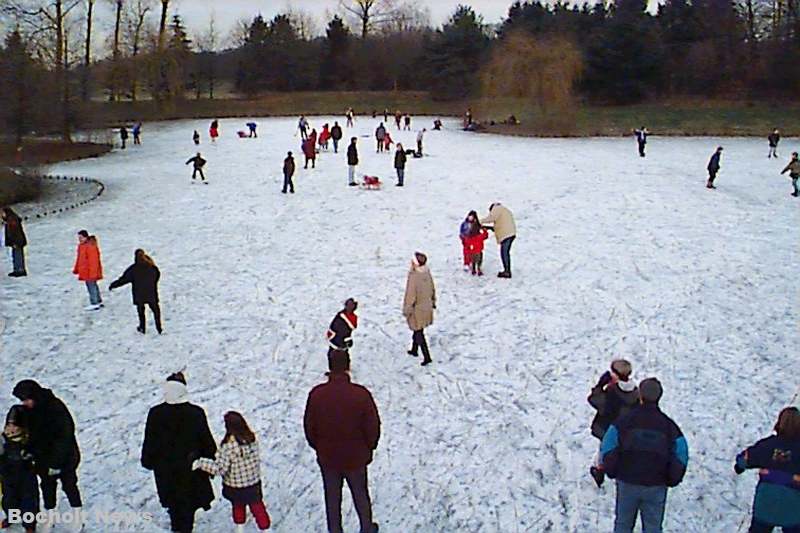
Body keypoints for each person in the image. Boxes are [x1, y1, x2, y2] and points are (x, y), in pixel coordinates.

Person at [304, 350, 380, 533]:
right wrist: (368, 447)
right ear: (348, 366)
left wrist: (320, 447)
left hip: (329, 458)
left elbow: (309, 428)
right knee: (361, 495)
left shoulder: (317, 395)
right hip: (356, 458)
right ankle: (367, 527)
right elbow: (373, 427)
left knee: (332, 498)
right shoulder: (361, 394)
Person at [599, 378, 689, 533]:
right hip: (656, 485)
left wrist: (612, 471)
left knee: (623, 525)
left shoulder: (624, 421)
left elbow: (607, 446)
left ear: (640, 395)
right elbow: (681, 455)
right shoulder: (669, 426)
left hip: (627, 482)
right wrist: (671, 478)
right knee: (653, 527)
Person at [141, 372, 216, 533]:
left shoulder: (155, 414)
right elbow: (208, 444)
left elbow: (150, 444)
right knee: (188, 510)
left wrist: (149, 461)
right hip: (191, 473)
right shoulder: (196, 413)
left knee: (175, 509)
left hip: (166, 474)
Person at [12, 380, 83, 533]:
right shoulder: (30, 411)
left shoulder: (55, 407)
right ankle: (50, 516)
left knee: (69, 485)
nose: (25, 403)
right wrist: (29, 450)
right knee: (47, 487)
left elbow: (65, 436)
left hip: (65, 458)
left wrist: (56, 463)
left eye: (26, 399)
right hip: (43, 459)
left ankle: (77, 516)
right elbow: (32, 435)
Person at [193, 412, 271, 533]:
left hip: (236, 486)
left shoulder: (228, 446)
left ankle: (240, 529)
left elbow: (220, 469)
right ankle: (265, 529)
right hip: (253, 483)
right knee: (258, 507)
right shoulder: (251, 439)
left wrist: (201, 463)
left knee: (238, 506)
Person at [735, 407, 800, 533]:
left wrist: (739, 467)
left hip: (765, 506)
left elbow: (743, 460)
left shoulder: (767, 445)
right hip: (793, 508)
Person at [587, 360, 639, 487]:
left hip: (608, 429)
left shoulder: (613, 393)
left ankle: (600, 472)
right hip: (626, 431)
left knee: (604, 451)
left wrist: (599, 386)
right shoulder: (636, 392)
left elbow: (595, 401)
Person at [0, 405, 39, 533]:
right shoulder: (3, 440)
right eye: (8, 425)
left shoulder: (29, 440)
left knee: (28, 500)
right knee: (9, 498)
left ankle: (29, 525)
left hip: (26, 475)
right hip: (7, 474)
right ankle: (11, 516)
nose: (10, 429)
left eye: (14, 426)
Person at [109, 249, 163, 334]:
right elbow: (157, 276)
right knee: (155, 310)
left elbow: (124, 279)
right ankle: (159, 327)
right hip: (151, 293)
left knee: (141, 311)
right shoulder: (152, 267)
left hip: (139, 294)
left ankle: (142, 327)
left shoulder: (133, 269)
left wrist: (113, 285)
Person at [403, 252, 436, 366]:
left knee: (418, 331)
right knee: (418, 328)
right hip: (427, 306)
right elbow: (432, 288)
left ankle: (426, 356)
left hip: (417, 309)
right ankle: (414, 349)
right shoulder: (426, 272)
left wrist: (407, 309)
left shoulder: (414, 277)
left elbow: (410, 295)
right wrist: (433, 301)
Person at [481, 203, 517, 278]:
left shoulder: (497, 209)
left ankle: (507, 271)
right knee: (505, 252)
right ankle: (507, 270)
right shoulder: (504, 210)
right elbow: (499, 226)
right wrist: (488, 227)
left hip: (506, 234)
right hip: (510, 233)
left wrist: (479, 221)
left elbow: (491, 218)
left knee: (504, 253)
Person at [73, 230, 103, 310]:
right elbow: (79, 259)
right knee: (92, 285)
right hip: (85, 270)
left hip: (90, 271)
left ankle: (95, 302)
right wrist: (76, 269)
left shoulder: (90, 246)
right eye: (79, 238)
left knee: (91, 286)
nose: (80, 239)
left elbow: (94, 261)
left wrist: (93, 273)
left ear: (86, 237)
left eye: (81, 237)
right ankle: (98, 300)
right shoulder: (82, 246)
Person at [2, 207, 27, 277]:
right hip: (17, 241)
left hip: (17, 241)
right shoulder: (10, 220)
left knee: (17, 255)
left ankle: (19, 270)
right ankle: (18, 269)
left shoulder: (12, 220)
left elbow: (15, 232)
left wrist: (15, 242)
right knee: (16, 255)